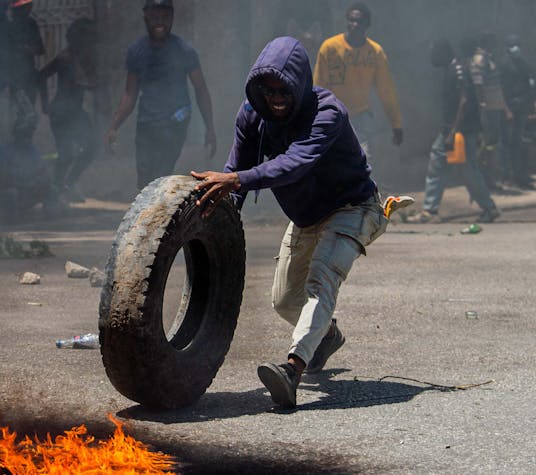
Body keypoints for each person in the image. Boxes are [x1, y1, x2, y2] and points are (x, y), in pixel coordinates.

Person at [191, 36, 390, 408]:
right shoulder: (252, 113)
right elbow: (236, 169)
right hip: (305, 217)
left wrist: (238, 180)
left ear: (300, 83)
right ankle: (326, 336)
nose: (276, 98)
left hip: (353, 208)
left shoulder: (327, 113)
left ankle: (292, 369)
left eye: (284, 89)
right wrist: (214, 222)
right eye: (268, 90)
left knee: (321, 282)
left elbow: (294, 164)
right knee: (284, 301)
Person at [105, 0, 217, 190]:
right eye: (155, 17)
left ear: (172, 18)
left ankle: (161, 218)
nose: (160, 22)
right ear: (146, 18)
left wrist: (210, 128)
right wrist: (114, 126)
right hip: (146, 123)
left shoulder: (184, 51)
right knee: (144, 178)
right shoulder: (136, 51)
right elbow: (130, 94)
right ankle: (147, 218)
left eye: (165, 17)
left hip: (175, 122)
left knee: (162, 176)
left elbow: (201, 90)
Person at [406, 40, 499, 224]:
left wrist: (452, 132)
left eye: (434, 53)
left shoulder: (457, 70)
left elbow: (464, 101)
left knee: (467, 170)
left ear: (443, 53)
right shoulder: (451, 69)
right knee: (439, 164)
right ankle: (430, 210)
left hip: (460, 132)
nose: (432, 58)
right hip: (453, 130)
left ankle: (488, 207)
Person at [313, 2, 402, 161]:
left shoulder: (375, 52)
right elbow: (318, 86)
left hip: (360, 116)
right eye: (351, 20)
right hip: (333, 114)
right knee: (332, 162)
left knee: (362, 159)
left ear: (367, 25)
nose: (354, 25)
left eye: (359, 21)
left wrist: (396, 124)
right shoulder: (330, 48)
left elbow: (386, 91)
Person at [39, 18, 98, 203]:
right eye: (84, 37)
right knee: (65, 153)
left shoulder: (85, 58)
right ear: (74, 38)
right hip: (61, 112)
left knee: (92, 148)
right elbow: (41, 75)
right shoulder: (65, 58)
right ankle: (55, 194)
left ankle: (68, 184)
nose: (88, 41)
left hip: (76, 113)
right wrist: (45, 103)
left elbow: (88, 84)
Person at [470, 33, 514, 193]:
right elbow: (478, 86)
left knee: (492, 144)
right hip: (488, 110)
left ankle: (488, 177)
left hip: (495, 108)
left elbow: (497, 88)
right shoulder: (480, 60)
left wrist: (504, 108)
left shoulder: (488, 59)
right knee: (487, 145)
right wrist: (483, 107)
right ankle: (483, 178)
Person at [0, 122, 58, 223]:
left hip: (30, 190)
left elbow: (43, 172)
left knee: (52, 190)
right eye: (24, 134)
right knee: (12, 193)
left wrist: (38, 182)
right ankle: (12, 225)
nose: (27, 138)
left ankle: (52, 222)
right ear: (16, 135)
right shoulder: (3, 150)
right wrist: (19, 184)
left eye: (29, 135)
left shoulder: (32, 150)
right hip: (10, 190)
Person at [498, 34, 535, 189]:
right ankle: (507, 175)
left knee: (518, 142)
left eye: (516, 44)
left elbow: (530, 83)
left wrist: (532, 104)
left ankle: (520, 175)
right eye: (512, 45)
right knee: (506, 143)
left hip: (522, 107)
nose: (515, 48)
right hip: (510, 107)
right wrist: (506, 110)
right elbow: (500, 90)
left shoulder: (523, 63)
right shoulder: (505, 65)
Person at [6, 0, 45, 129]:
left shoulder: (30, 25)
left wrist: (28, 50)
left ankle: (25, 135)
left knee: (28, 114)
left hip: (27, 75)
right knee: (18, 113)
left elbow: (40, 49)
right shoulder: (10, 27)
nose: (29, 8)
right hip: (16, 76)